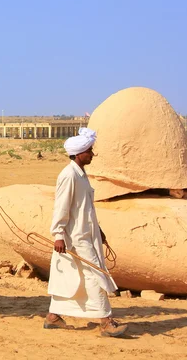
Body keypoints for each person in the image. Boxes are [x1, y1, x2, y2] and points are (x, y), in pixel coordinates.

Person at [44, 127, 127, 337]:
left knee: (76, 276)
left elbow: (84, 207)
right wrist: (59, 235)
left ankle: (53, 317)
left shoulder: (81, 175)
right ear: (79, 153)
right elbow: (61, 207)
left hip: (86, 234)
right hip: (76, 237)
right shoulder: (69, 175)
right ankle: (106, 321)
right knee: (95, 274)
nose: (92, 155)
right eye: (89, 151)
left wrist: (98, 230)